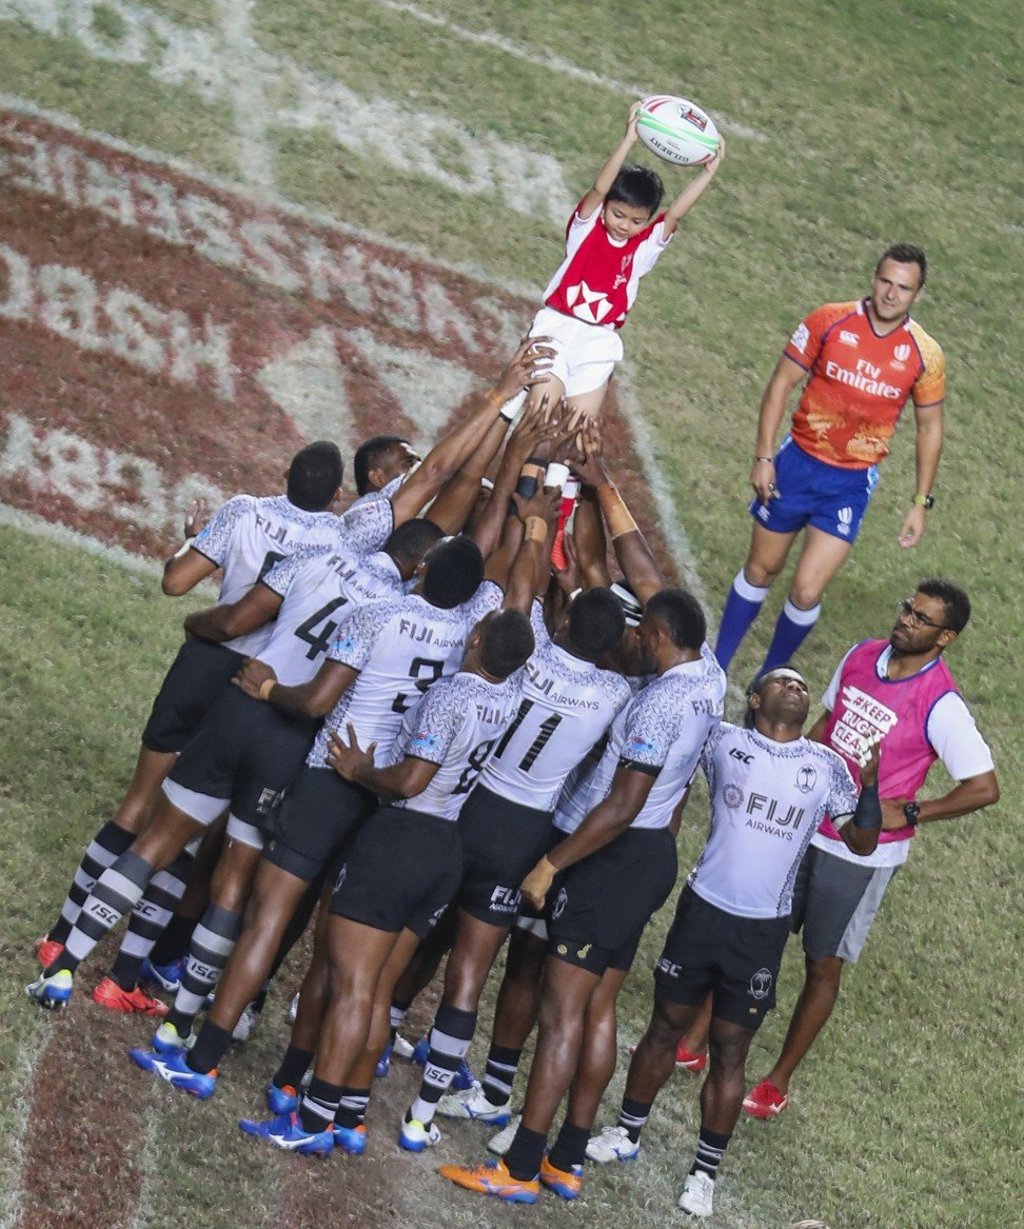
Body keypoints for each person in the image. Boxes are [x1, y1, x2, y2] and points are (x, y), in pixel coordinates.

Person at [439, 578, 727, 1204]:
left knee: (561, 1013)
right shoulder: (709, 677)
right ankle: (566, 1158)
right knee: (596, 1010)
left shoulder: (655, 705)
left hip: (611, 856)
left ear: (656, 636)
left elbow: (624, 803)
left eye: (641, 632)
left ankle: (518, 1168)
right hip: (649, 860)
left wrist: (551, 863)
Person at [236, 605, 536, 1155]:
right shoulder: (509, 696)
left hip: (401, 840)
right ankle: (349, 1116)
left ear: (474, 638)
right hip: (445, 848)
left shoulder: (451, 696)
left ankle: (312, 1120)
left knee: (350, 987)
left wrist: (357, 772)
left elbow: (409, 780)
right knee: (375, 993)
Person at [589, 669, 883, 1218]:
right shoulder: (723, 741)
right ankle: (626, 1132)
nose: (797, 687)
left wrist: (869, 786)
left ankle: (705, 1171)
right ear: (755, 699)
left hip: (762, 929)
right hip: (703, 911)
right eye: (782, 682)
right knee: (664, 1026)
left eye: (801, 684)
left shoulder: (825, 767)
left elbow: (862, 842)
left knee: (729, 1049)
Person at [743, 580, 999, 1120]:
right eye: (907, 608)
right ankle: (696, 1042)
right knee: (756, 927)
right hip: (804, 825)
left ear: (944, 637)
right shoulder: (861, 654)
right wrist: (796, 774)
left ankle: (776, 1081)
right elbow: (826, 721)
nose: (906, 620)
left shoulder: (942, 704)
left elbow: (983, 787)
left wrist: (908, 812)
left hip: (860, 854)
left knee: (822, 962)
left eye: (921, 618)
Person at [714, 244, 946, 677]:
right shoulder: (828, 320)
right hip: (796, 466)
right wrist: (764, 456)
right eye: (885, 282)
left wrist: (920, 501)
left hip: (849, 484)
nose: (891, 294)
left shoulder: (924, 355)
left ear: (918, 294)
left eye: (903, 288)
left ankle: (769, 678)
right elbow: (780, 384)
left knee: (806, 590)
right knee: (761, 569)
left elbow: (930, 428)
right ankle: (718, 666)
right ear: (873, 278)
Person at [502, 102, 724, 424]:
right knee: (540, 417)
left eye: (635, 221)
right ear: (605, 208)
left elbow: (675, 213)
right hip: (557, 327)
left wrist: (708, 172)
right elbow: (599, 188)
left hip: (599, 340)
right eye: (617, 214)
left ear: (646, 222)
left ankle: (555, 476)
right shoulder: (586, 228)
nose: (623, 224)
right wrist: (628, 140)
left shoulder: (643, 249)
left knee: (574, 431)